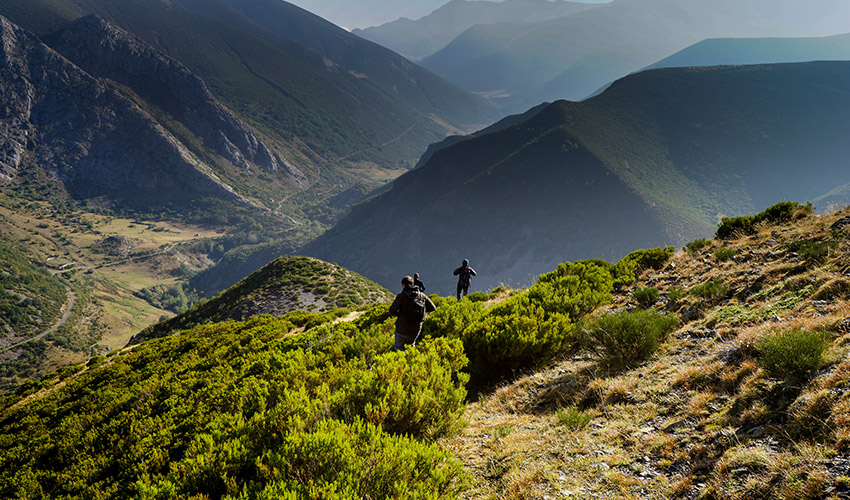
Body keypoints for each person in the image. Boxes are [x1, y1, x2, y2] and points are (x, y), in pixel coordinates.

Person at [389, 275, 436, 351]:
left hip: (402, 329)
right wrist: (421, 312)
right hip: (416, 330)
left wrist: (400, 315)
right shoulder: (421, 296)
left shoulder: (401, 296)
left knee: (399, 350)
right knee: (411, 348)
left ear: (403, 285)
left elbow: (391, 310)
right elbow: (433, 308)